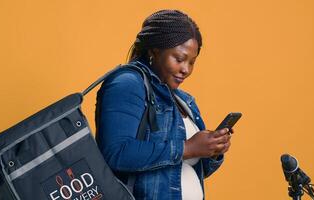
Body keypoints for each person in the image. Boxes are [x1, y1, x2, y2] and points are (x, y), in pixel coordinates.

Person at [95, 9, 232, 200]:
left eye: (192, 62)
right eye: (179, 59)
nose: (186, 69)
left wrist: (212, 150)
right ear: (154, 50)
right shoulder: (127, 83)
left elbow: (184, 168)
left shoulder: (184, 100)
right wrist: (187, 148)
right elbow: (116, 152)